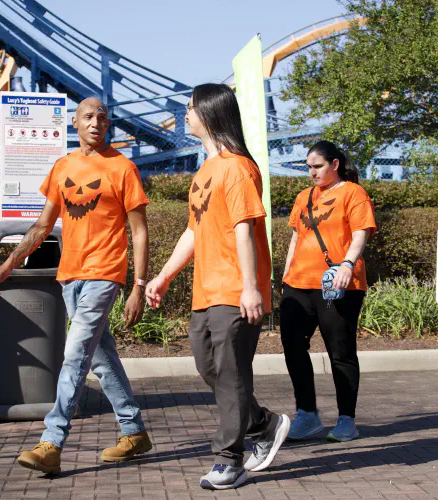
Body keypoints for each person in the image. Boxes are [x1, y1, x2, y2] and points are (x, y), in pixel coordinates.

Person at [0, 97, 153, 475]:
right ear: (74, 122)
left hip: (105, 273)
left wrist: (138, 285)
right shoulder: (63, 166)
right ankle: (134, 431)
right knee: (100, 355)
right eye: (89, 117)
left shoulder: (123, 168)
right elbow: (43, 225)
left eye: (103, 118)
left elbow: (139, 231)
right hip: (70, 276)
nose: (97, 122)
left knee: (75, 355)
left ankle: (52, 441)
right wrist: (11, 262)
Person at [145, 83, 290, 490]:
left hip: (234, 289)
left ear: (208, 114)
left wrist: (250, 287)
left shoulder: (238, 168)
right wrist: (163, 275)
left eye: (190, 108)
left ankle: (230, 460)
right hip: (204, 291)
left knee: (229, 372)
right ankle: (262, 423)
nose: (185, 115)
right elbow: (193, 231)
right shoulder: (204, 172)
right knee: (209, 368)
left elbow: (244, 229)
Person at [280, 141, 376, 442]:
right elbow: (296, 237)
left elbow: (361, 232)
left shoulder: (353, 193)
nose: (312, 172)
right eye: (309, 167)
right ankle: (307, 414)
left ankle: (347, 419)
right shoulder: (304, 196)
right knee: (293, 346)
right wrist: (285, 274)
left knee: (341, 352)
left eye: (318, 166)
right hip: (298, 283)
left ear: (335, 164)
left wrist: (349, 264)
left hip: (337, 283)